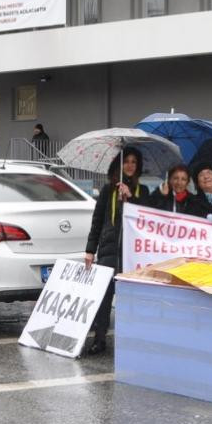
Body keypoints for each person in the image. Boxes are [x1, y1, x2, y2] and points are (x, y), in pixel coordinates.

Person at [83, 147, 149, 355]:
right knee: (104, 296)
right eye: (126, 162)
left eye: (133, 162)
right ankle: (99, 338)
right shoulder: (107, 190)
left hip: (133, 253)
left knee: (133, 298)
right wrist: (90, 250)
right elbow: (98, 220)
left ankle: (134, 338)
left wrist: (131, 199)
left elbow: (147, 217)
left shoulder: (143, 191)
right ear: (119, 165)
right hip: (110, 250)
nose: (129, 166)